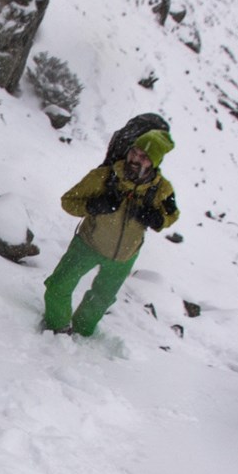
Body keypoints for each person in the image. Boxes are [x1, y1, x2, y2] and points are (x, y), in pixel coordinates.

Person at [43, 128, 180, 336]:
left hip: (124, 257)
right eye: (134, 151)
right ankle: (57, 327)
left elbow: (172, 215)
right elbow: (68, 202)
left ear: (154, 162)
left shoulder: (163, 190)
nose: (135, 158)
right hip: (87, 245)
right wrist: (94, 206)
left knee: (101, 299)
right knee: (58, 286)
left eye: (144, 156)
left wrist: (157, 219)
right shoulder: (104, 177)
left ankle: (82, 332)